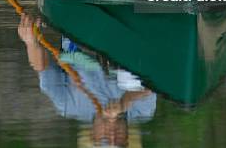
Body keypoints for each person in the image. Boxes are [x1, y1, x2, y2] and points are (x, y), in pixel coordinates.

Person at [18, 13, 156, 146]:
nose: (112, 135)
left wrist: (31, 42)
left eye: (105, 139)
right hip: (125, 37)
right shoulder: (142, 111)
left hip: (80, 32)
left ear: (93, 136)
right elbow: (154, 85)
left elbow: (43, 68)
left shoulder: (68, 106)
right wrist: (125, 102)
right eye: (119, 142)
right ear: (126, 138)